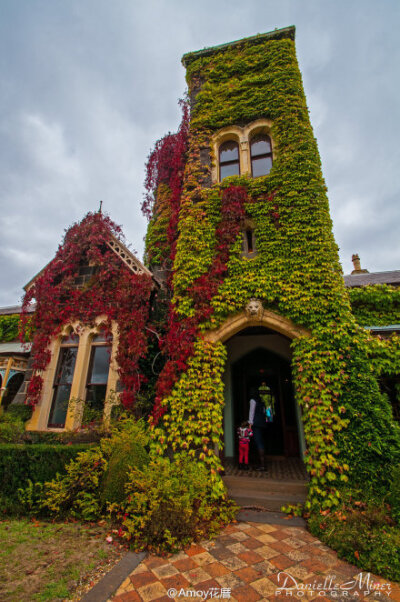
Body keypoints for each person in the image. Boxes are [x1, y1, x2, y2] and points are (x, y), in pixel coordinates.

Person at [248, 387, 267, 471]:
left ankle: (262, 465)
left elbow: (251, 412)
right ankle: (261, 463)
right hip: (261, 423)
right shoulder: (261, 402)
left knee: (258, 442)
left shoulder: (253, 401)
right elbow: (263, 412)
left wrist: (250, 424)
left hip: (255, 424)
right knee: (260, 442)